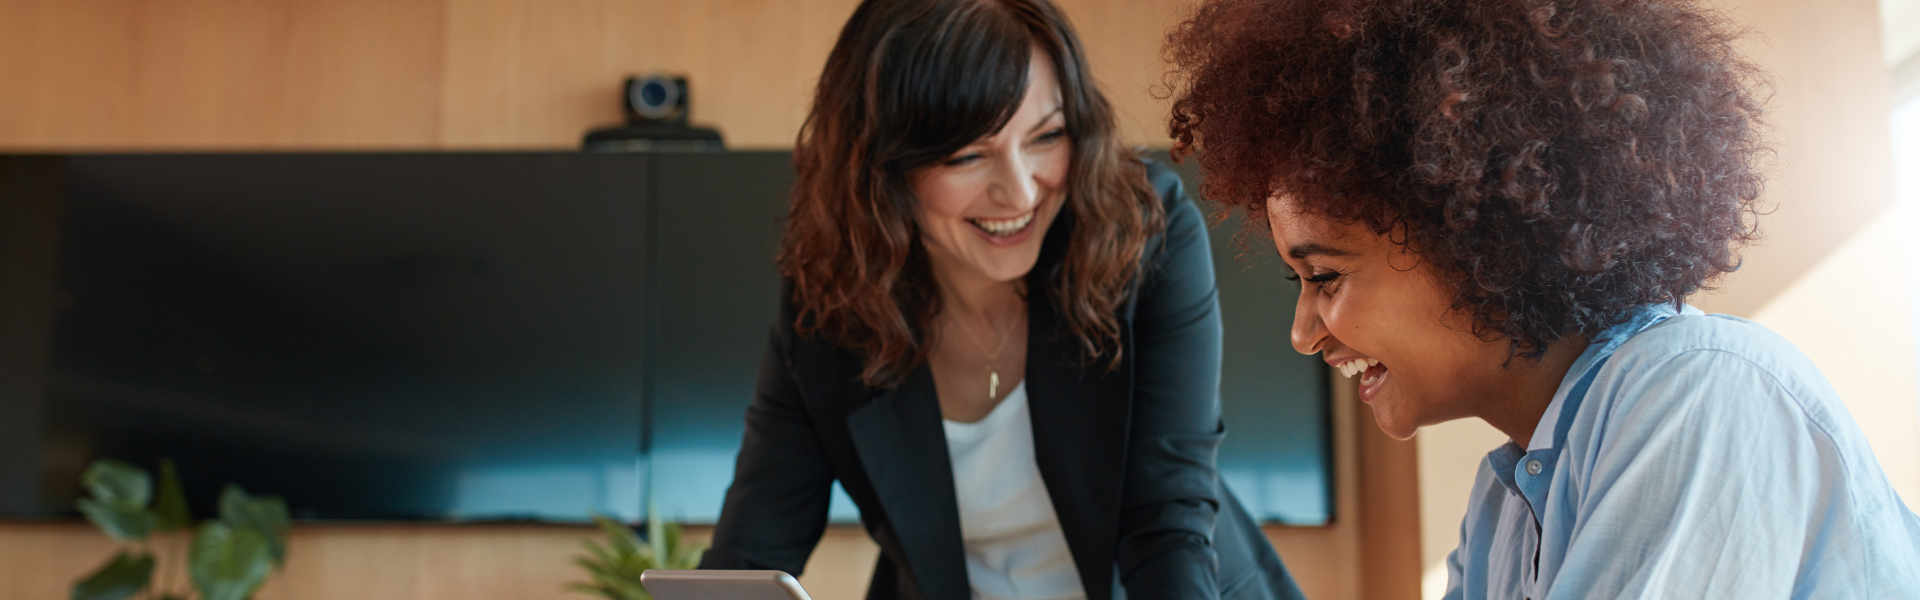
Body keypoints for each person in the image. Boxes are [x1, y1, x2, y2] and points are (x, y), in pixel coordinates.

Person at [1163, 0, 1920, 597]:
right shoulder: (1503, 508)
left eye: (1325, 277)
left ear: (1474, 236)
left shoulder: (1702, 394)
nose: (1303, 333)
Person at [697, 1, 1303, 600]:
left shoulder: (1146, 231)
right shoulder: (833, 300)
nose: (1019, 192)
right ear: (878, 169)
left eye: (1047, 136)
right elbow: (752, 551)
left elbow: (1164, 522)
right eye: (968, 155)